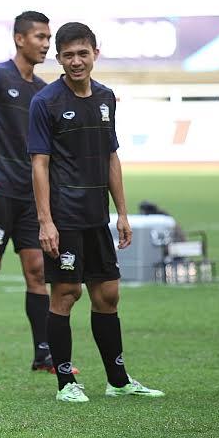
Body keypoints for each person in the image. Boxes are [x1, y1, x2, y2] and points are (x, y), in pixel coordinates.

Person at [28, 22, 164, 403]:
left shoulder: (106, 98)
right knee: (66, 295)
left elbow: (111, 156)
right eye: (68, 55)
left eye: (82, 53)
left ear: (95, 54)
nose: (76, 61)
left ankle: (118, 381)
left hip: (97, 217)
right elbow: (39, 164)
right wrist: (45, 221)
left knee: (107, 296)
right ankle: (66, 382)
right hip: (64, 216)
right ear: (58, 58)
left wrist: (121, 212)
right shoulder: (47, 102)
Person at [0, 11, 76, 375]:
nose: (45, 44)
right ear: (20, 38)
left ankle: (44, 354)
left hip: (29, 196)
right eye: (39, 36)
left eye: (48, 37)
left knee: (37, 270)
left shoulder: (42, 90)